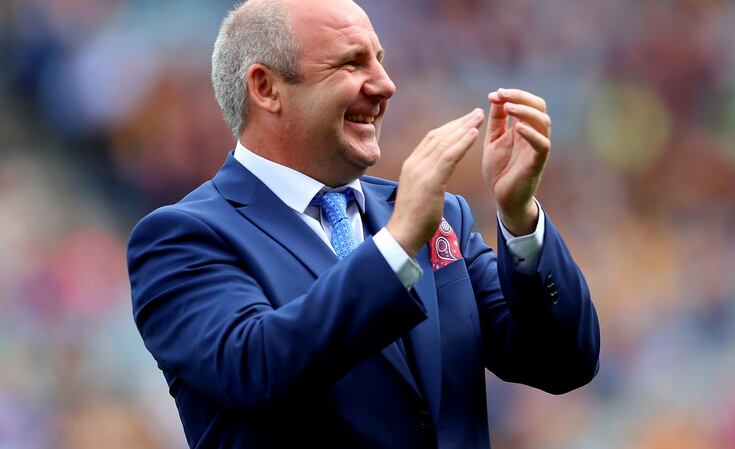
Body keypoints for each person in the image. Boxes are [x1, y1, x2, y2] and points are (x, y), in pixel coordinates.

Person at [126, 0, 600, 448]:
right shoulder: (180, 238)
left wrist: (520, 217)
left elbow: (562, 364)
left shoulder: (437, 216)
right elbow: (257, 365)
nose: (386, 84)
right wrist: (397, 245)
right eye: (351, 64)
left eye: (380, 59)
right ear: (266, 88)